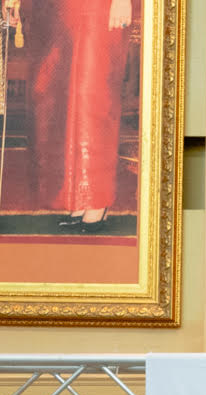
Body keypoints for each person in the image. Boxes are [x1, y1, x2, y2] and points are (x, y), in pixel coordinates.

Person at [5, 0, 135, 231]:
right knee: (61, 99)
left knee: (93, 94)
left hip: (97, 7)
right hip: (56, 9)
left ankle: (97, 199)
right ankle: (78, 199)